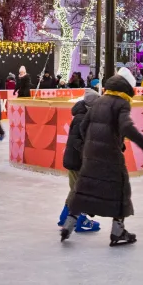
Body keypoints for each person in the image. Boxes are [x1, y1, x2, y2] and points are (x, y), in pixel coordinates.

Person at [60, 68, 143, 246]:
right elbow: (126, 126)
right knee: (121, 188)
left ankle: (69, 225)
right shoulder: (121, 103)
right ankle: (118, 231)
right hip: (110, 154)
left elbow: (83, 126)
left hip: (90, 153)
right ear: (127, 88)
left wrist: (90, 144)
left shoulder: (100, 100)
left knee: (83, 187)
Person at [57, 85, 102, 234]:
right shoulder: (82, 119)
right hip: (78, 162)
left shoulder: (82, 116)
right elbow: (77, 141)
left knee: (75, 189)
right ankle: (80, 221)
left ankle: (65, 216)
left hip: (74, 160)